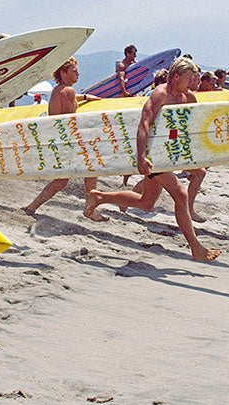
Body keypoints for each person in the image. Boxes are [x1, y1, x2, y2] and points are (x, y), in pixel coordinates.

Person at [85, 58, 220, 261]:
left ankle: (100, 197)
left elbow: (187, 130)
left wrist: (192, 159)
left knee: (146, 202)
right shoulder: (160, 95)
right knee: (181, 194)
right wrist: (141, 157)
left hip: (168, 154)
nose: (192, 82)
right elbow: (143, 124)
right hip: (152, 154)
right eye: (189, 77)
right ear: (175, 76)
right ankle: (196, 248)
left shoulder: (189, 98)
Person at [23, 57, 106, 221]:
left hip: (56, 139)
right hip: (66, 140)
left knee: (61, 181)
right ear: (63, 73)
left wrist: (86, 97)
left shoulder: (58, 89)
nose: (78, 73)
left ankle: (31, 207)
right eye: (74, 71)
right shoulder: (69, 91)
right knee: (92, 169)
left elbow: (68, 101)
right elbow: (71, 119)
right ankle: (90, 210)